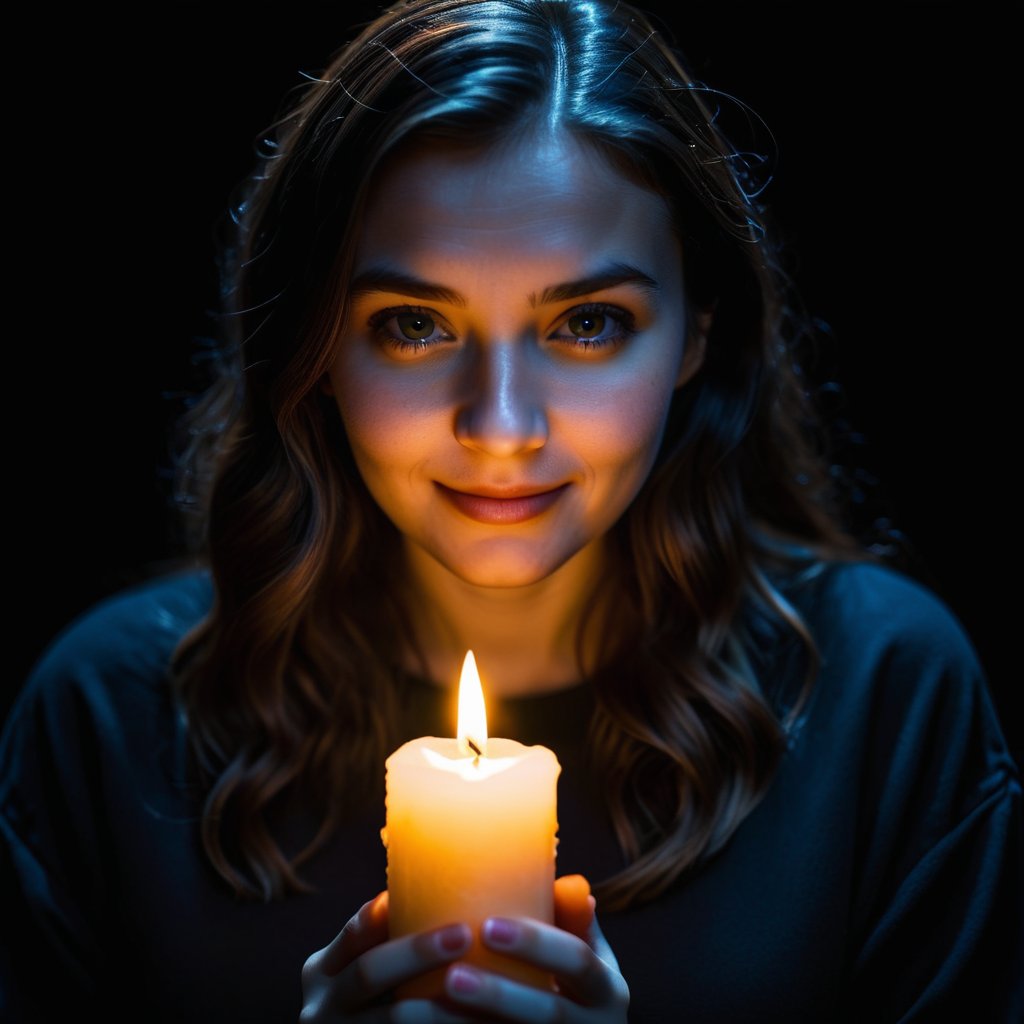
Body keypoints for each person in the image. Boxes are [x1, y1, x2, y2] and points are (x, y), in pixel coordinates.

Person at [2, 1, 1021, 1021]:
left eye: (586, 323)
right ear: (313, 353)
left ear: (696, 335)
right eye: (412, 325)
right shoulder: (110, 721)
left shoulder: (881, 699)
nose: (499, 425)